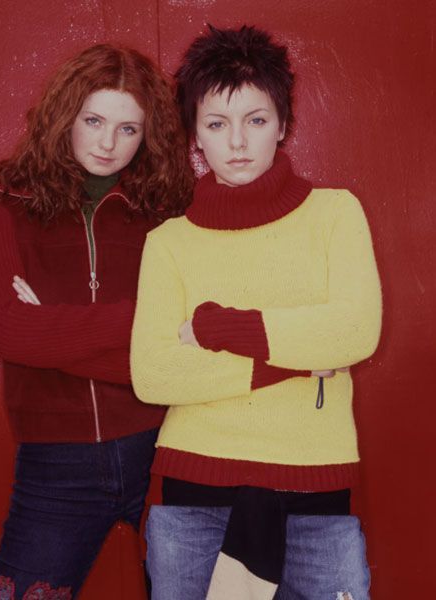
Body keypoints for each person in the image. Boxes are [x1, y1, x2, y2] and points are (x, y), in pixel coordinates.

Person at [130, 25, 382, 600]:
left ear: (283, 124)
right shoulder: (169, 243)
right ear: (196, 135)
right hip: (194, 494)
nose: (238, 142)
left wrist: (218, 327)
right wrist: (294, 359)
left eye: (257, 119)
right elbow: (154, 374)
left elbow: (355, 329)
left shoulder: (336, 214)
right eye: (217, 124)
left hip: (315, 491)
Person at [0, 43, 193, 599]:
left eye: (128, 128)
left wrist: (50, 333)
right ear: (65, 115)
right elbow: (7, 331)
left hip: (168, 446)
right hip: (55, 465)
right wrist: (143, 324)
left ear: (148, 135)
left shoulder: (169, 214)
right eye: (93, 120)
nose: (107, 143)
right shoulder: (4, 208)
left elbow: (189, 345)